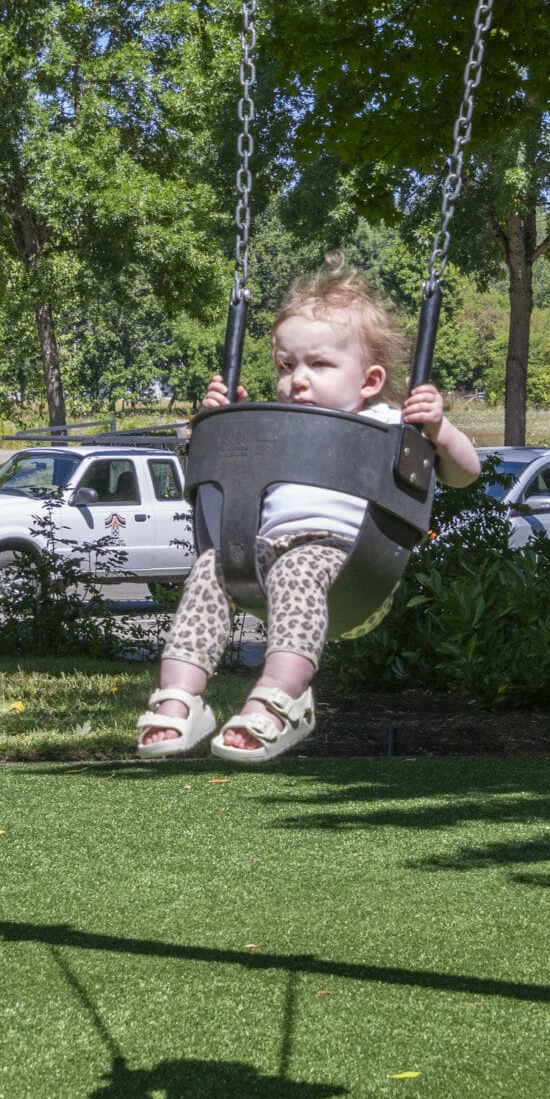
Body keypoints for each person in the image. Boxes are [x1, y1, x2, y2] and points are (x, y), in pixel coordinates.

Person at [137, 254, 480, 761]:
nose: (298, 379)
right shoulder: (275, 421)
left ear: (368, 381)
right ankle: (181, 700)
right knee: (213, 566)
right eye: (287, 364)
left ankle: (281, 698)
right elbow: (220, 470)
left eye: (319, 365)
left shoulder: (392, 421)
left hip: (352, 571)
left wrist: (439, 430)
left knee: (298, 567)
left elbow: (465, 472)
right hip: (261, 559)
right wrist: (222, 419)